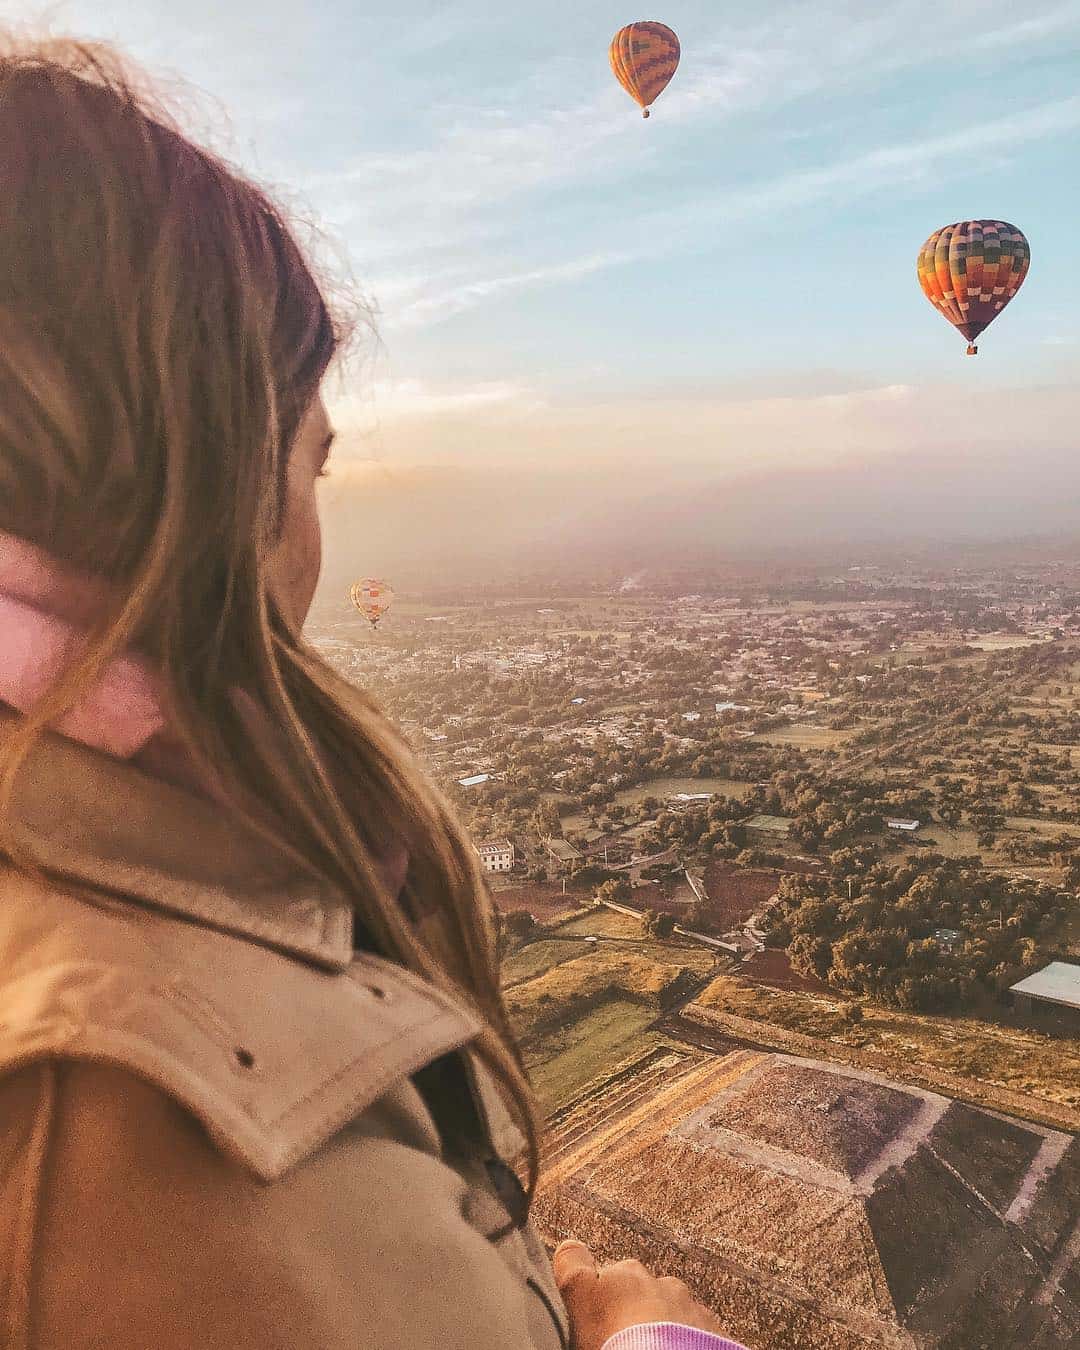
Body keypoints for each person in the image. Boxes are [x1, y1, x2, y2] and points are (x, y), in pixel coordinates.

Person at [0, 35, 748, 1350]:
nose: (315, 539)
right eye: (313, 464)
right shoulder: (169, 1112)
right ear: (213, 476)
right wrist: (656, 1342)